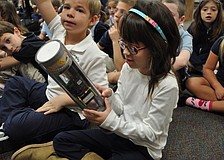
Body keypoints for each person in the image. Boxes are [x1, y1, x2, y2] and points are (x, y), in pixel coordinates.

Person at [53, 0, 180, 160]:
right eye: (123, 44)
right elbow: (122, 107)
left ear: (157, 47)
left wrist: (109, 121)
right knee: (62, 140)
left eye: (133, 48)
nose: (125, 52)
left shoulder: (167, 85)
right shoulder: (129, 68)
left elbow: (151, 135)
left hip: (143, 149)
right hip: (119, 134)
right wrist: (110, 97)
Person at [0, 0, 108, 153]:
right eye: (67, 7)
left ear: (93, 20)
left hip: (72, 112)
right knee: (15, 83)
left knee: (16, 126)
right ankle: (10, 126)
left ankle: (13, 126)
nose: (70, 13)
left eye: (79, 10)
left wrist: (63, 100)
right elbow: (43, 3)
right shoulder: (60, 30)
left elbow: (97, 98)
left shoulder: (94, 55)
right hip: (49, 93)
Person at [184, 0, 223, 98]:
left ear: (218, 13)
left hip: (213, 65)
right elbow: (189, 48)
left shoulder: (221, 30)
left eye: (213, 10)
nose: (208, 12)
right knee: (190, 82)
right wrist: (199, 66)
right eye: (205, 9)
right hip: (196, 63)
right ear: (199, 12)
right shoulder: (193, 27)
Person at [179, 36, 224, 113]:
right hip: (219, 84)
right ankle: (219, 104)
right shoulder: (220, 42)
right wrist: (217, 86)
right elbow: (207, 69)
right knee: (191, 83)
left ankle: (197, 103)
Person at [98, 0, 136, 88]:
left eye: (122, 12)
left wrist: (116, 41)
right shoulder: (111, 31)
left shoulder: (134, 37)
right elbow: (96, 49)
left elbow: (122, 69)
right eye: (116, 10)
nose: (116, 14)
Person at [161, 0, 193, 91]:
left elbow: (182, 61)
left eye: (170, 15)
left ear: (181, 20)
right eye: (162, 13)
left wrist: (156, 68)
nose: (164, 18)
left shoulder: (185, 36)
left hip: (175, 74)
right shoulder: (154, 31)